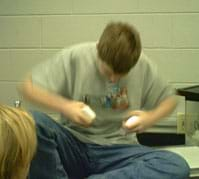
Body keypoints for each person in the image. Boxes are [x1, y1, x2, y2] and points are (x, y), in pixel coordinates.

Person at [19, 22, 190, 179]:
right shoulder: (76, 57)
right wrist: (66, 106)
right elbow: (28, 86)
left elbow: (170, 99)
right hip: (74, 144)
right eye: (108, 72)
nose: (114, 80)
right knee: (32, 121)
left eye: (121, 75)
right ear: (98, 51)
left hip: (120, 151)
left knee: (176, 165)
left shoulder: (142, 64)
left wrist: (149, 118)